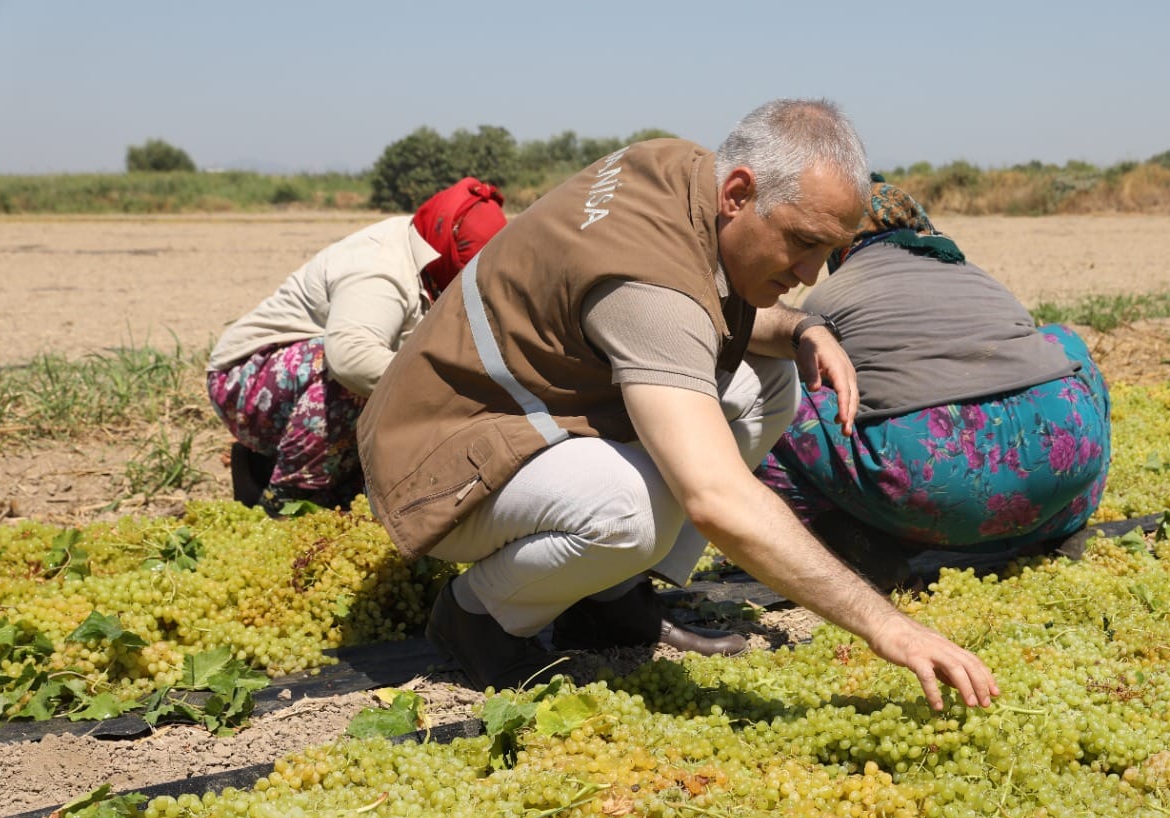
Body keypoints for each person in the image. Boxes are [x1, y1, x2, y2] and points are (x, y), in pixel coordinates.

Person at [357, 99, 998, 710]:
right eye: (802, 243)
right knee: (630, 511)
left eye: (824, 253)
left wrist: (802, 328)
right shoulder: (647, 284)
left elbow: (710, 312)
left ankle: (606, 597)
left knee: (767, 381)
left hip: (515, 410)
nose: (809, 275)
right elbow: (715, 496)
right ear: (738, 194)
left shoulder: (679, 170)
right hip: (439, 456)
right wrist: (888, 626)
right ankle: (476, 615)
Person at [755, 179, 1111, 587]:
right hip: (1066, 458)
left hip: (933, 483)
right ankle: (1063, 526)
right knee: (1064, 341)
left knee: (773, 389)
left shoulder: (827, 297)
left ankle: (855, 544)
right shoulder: (973, 274)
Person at [206, 178, 508, 516]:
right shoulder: (380, 269)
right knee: (354, 368)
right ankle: (292, 498)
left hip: (291, 390)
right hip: (244, 383)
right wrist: (447, 395)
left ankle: (262, 470)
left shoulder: (428, 258)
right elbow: (352, 360)